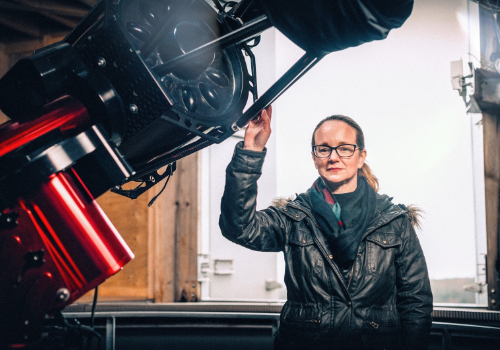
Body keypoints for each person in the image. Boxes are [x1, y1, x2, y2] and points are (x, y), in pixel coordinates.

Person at [219, 106, 433, 350]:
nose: (333, 157)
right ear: (314, 158)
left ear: (361, 156)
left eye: (344, 148)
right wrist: (252, 150)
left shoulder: (394, 221)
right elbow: (238, 227)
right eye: (324, 149)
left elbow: (415, 302)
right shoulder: (293, 217)